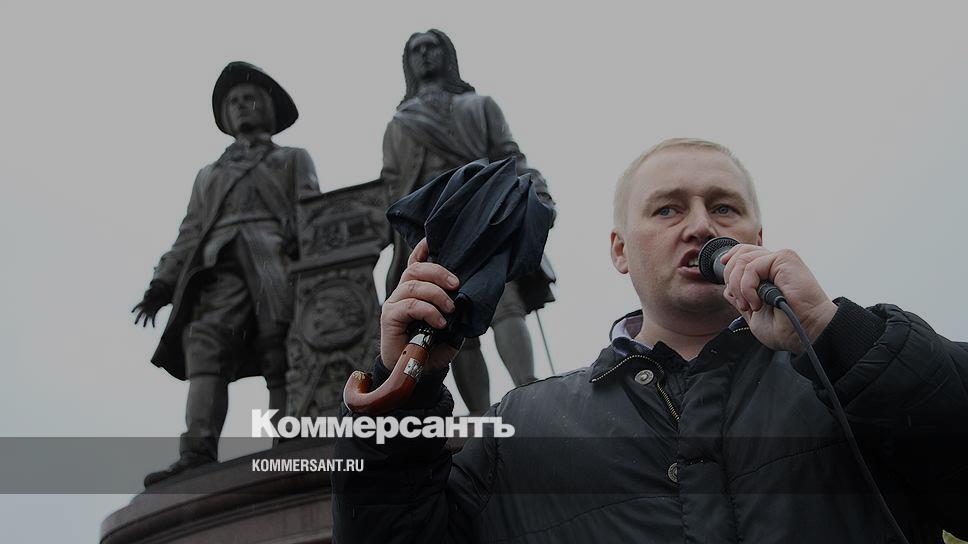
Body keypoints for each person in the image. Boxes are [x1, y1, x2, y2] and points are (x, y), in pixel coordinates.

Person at [332, 138, 968, 542]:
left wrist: (834, 333)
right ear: (619, 251)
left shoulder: (853, 373)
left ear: (757, 237)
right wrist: (403, 393)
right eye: (667, 209)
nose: (700, 226)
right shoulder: (522, 427)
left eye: (724, 208)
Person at [132, 62, 320, 486]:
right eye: (232, 102)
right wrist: (162, 282)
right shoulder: (209, 174)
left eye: (249, 98)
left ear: (268, 108)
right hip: (217, 270)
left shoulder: (291, 158)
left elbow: (311, 210)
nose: (240, 106)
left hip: (275, 262)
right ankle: (196, 452)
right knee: (205, 346)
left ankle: (289, 441)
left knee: (282, 349)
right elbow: (190, 232)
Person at [381, 29, 556, 413]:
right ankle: (479, 414)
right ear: (408, 64)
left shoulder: (481, 106)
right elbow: (391, 185)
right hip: (431, 224)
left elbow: (510, 155)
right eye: (416, 50)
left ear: (448, 55)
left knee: (504, 300)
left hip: (482, 210)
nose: (425, 54)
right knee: (447, 316)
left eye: (432, 47)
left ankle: (528, 393)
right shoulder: (399, 124)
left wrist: (537, 193)